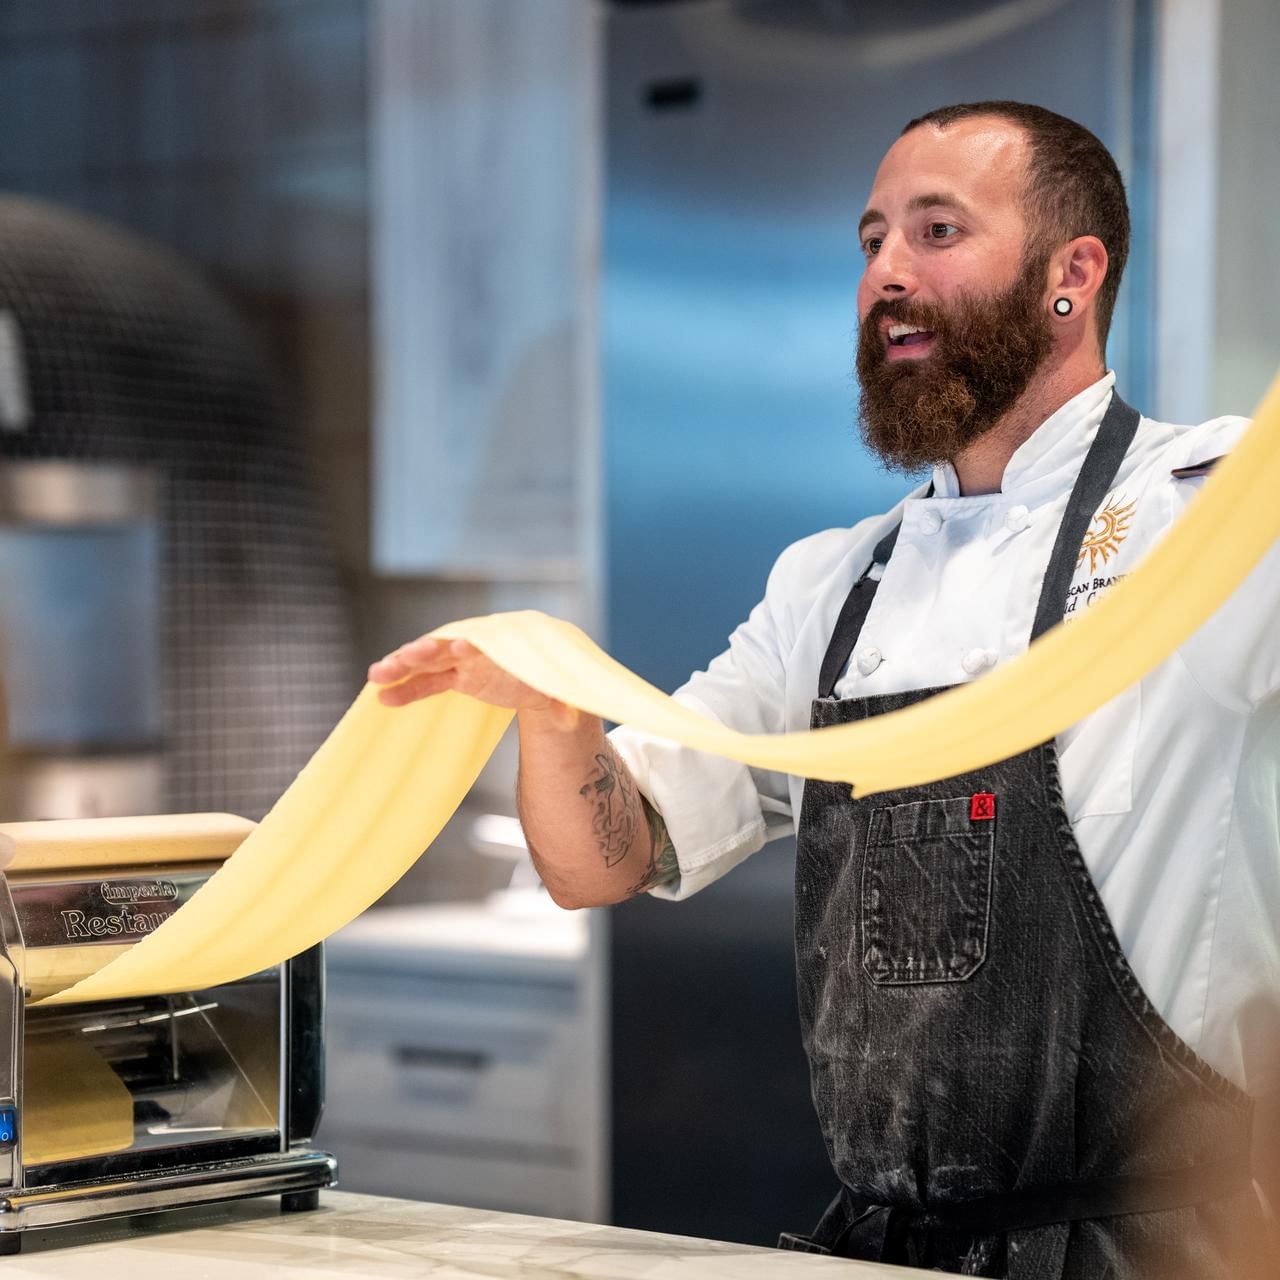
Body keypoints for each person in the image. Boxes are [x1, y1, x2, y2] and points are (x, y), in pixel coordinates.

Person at [369, 102, 1279, 1277]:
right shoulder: (832, 588)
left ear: (1072, 273)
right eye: (868, 241)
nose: (885, 275)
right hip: (869, 1253)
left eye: (936, 230)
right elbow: (598, 857)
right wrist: (555, 715)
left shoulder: (1215, 521)